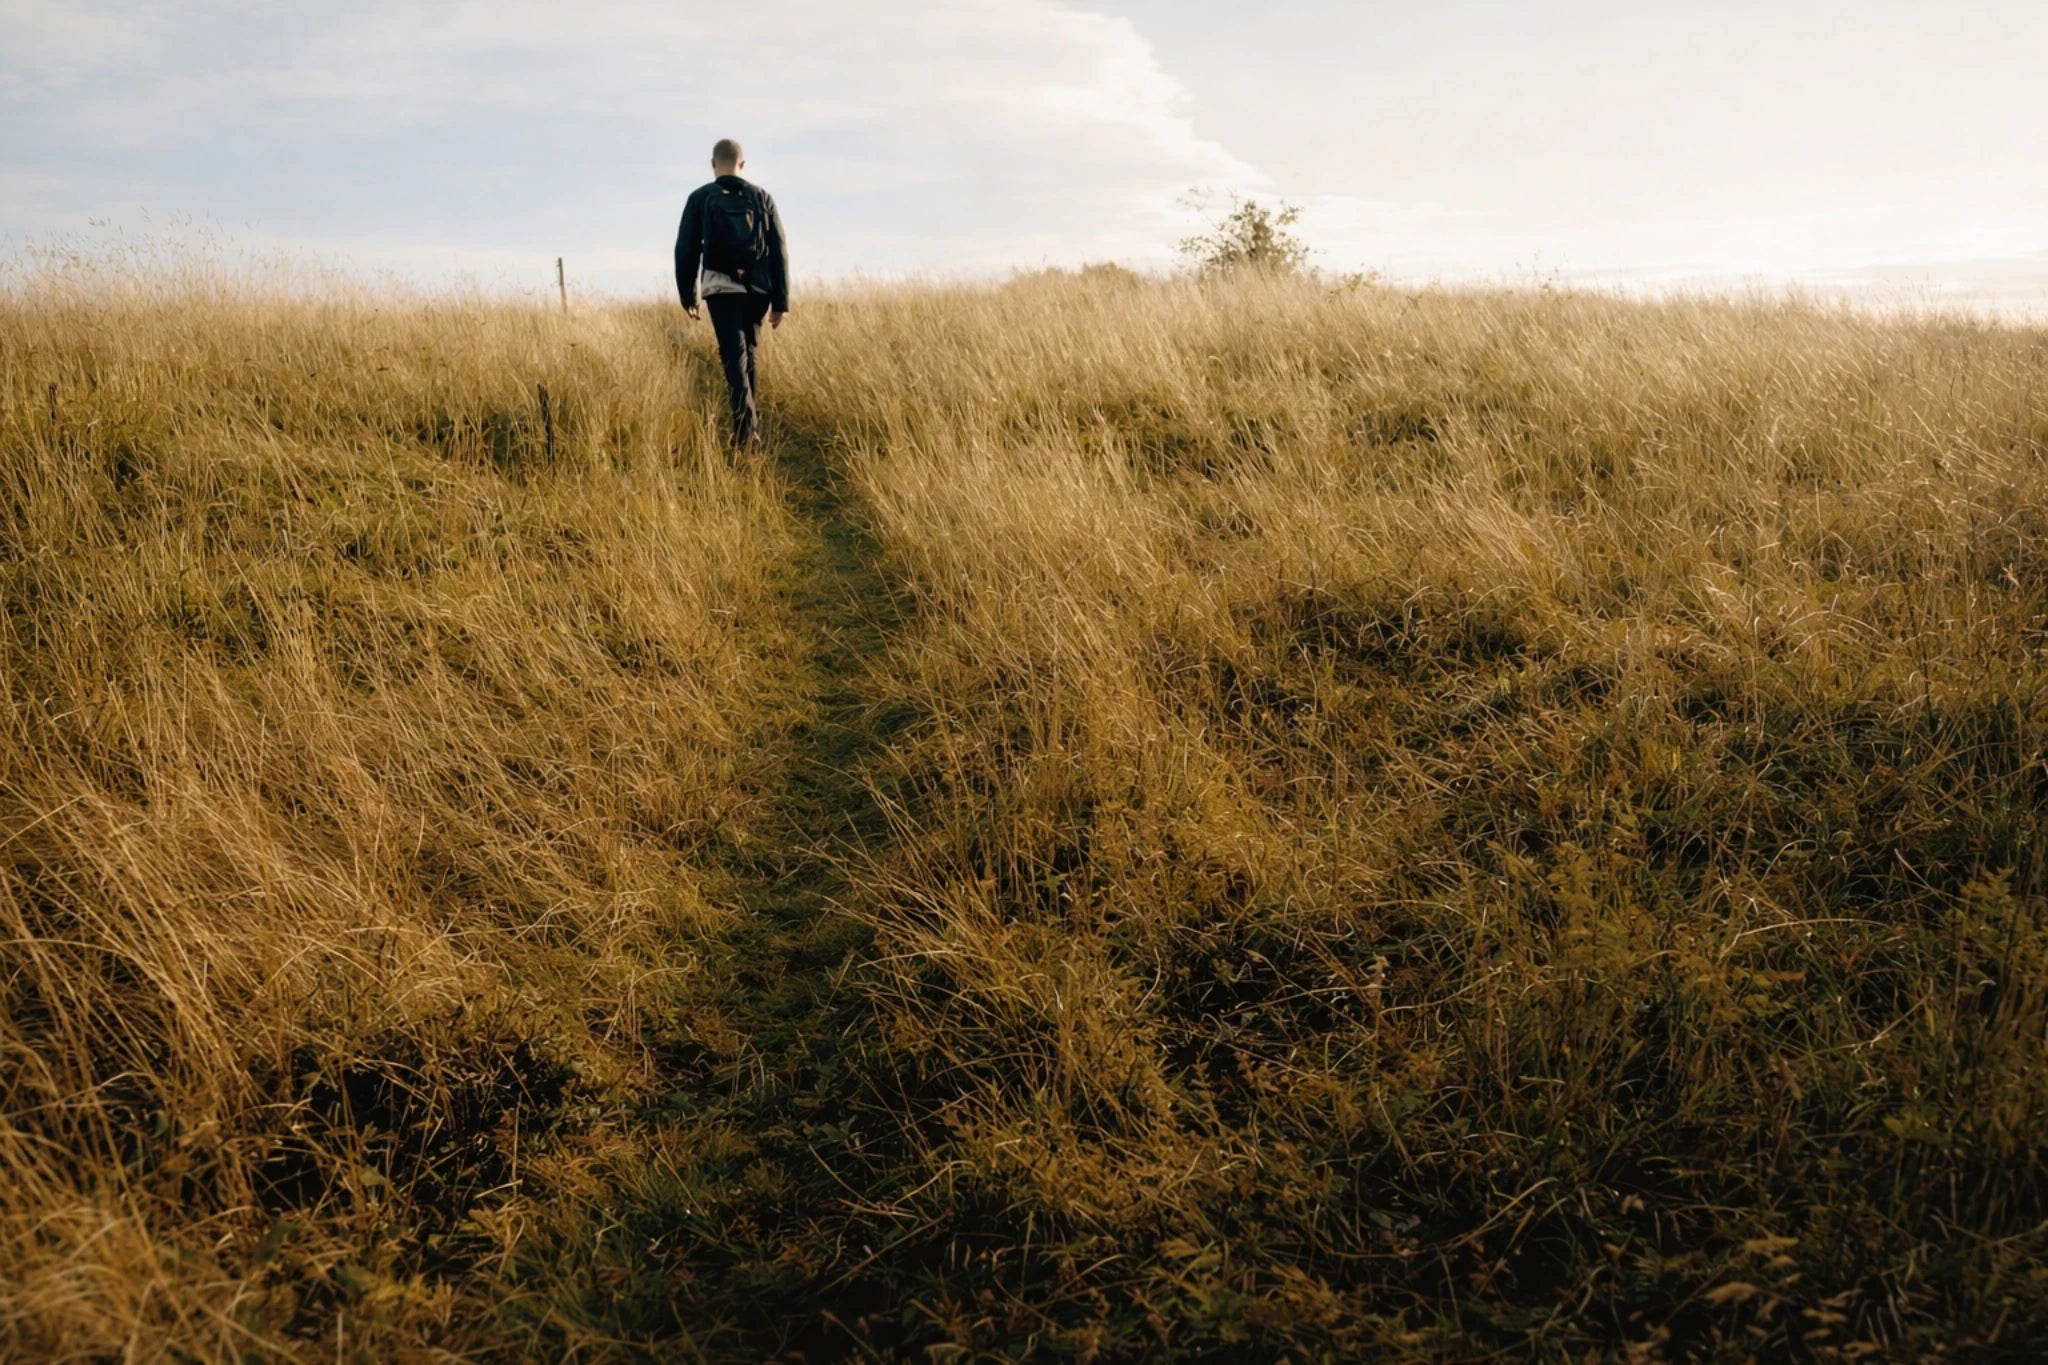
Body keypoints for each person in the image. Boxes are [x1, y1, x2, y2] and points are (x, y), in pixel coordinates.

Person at [675, 138, 790, 448]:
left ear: (713, 163)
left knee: (733, 355)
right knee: (748, 353)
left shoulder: (700, 198)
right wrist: (781, 300)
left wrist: (689, 295)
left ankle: (746, 429)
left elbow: (685, 248)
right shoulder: (762, 197)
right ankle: (748, 428)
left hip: (719, 287)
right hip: (758, 288)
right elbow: (778, 249)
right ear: (743, 164)